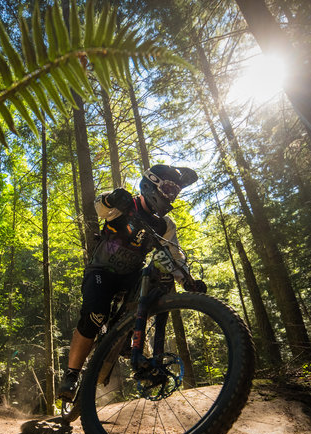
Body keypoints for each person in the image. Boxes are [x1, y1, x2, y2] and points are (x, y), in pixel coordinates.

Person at [57, 164, 207, 400]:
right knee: (94, 315)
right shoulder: (127, 204)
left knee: (153, 286)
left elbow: (172, 257)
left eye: (175, 192)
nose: (170, 196)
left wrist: (187, 281)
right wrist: (113, 197)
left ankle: (133, 347)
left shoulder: (165, 225)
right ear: (150, 183)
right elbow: (100, 207)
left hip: (131, 277)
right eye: (167, 188)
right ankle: (72, 374)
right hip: (101, 272)